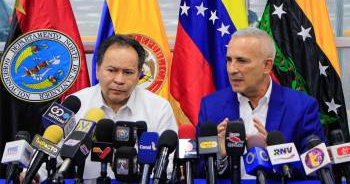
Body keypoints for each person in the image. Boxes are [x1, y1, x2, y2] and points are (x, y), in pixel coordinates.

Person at [22, 34, 178, 183]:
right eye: (112, 70)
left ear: (139, 76)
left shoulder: (159, 107)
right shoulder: (76, 103)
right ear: (97, 70)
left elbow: (169, 164)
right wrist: (35, 174)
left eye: (128, 72)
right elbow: (50, 150)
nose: (119, 80)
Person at [197, 27, 325, 178]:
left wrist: (278, 157)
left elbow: (318, 165)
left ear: (267, 66)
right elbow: (196, 169)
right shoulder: (211, 106)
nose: (232, 69)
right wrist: (219, 155)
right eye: (229, 60)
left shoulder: (302, 107)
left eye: (241, 61)